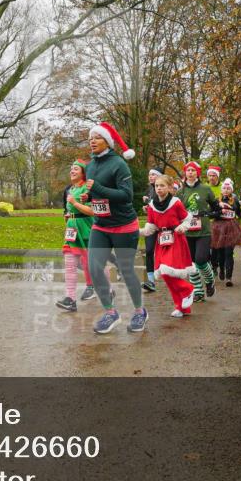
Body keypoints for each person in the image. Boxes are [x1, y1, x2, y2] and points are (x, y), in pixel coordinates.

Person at [84, 122, 148, 334]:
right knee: (94, 268)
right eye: (90, 138)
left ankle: (139, 311)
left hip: (123, 226)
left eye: (97, 137)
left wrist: (99, 189)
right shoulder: (90, 165)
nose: (92, 141)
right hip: (101, 226)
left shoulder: (119, 164)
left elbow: (126, 195)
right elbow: (97, 193)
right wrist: (90, 196)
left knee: (127, 271)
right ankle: (111, 313)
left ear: (107, 142)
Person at [139, 175, 196, 318]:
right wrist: (138, 232)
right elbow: (151, 226)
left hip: (176, 239)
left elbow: (187, 219)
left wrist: (183, 227)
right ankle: (182, 307)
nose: (159, 188)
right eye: (157, 186)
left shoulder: (176, 203)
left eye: (162, 185)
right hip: (162, 241)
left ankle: (188, 289)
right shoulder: (152, 205)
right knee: (166, 275)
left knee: (167, 271)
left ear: (170, 188)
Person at [56, 160, 99, 311]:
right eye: (71, 169)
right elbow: (71, 208)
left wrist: (74, 203)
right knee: (69, 264)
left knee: (93, 264)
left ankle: (106, 289)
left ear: (83, 173)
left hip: (86, 229)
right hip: (71, 229)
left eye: (75, 169)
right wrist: (69, 216)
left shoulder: (86, 189)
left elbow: (92, 211)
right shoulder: (71, 189)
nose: (72, 171)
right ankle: (70, 299)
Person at [177, 161, 219, 302]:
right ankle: (198, 292)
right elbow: (175, 211)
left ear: (197, 173)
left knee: (201, 259)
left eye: (193, 170)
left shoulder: (205, 189)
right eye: (188, 170)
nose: (190, 172)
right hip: (187, 230)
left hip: (203, 230)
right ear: (185, 173)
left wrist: (208, 213)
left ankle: (209, 280)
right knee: (191, 263)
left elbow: (216, 208)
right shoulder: (180, 191)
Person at [210, 178, 241, 287]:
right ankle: (221, 270)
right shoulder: (216, 200)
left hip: (231, 228)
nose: (226, 190)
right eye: (224, 188)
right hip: (218, 228)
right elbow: (212, 214)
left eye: (228, 188)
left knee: (229, 252)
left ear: (231, 190)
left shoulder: (235, 199)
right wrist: (220, 211)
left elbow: (238, 212)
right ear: (221, 189)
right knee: (220, 252)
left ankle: (229, 277)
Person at [141, 168, 163, 293]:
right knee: (149, 250)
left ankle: (173, 279)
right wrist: (147, 207)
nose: (150, 176)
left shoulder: (164, 188)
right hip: (151, 224)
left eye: (153, 174)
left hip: (164, 226)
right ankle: (151, 281)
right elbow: (152, 206)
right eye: (149, 174)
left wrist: (149, 202)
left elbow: (161, 205)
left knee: (165, 252)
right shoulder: (149, 189)